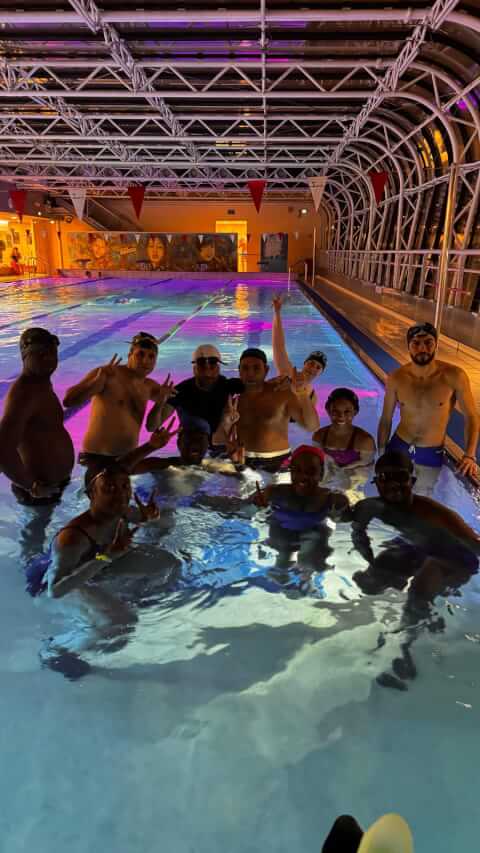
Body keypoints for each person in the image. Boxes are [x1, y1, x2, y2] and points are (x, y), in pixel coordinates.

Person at [27, 463, 162, 678]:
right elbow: (56, 590)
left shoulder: (121, 510)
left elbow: (137, 517)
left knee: (167, 564)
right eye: (109, 488)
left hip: (94, 566)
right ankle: (56, 650)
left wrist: (148, 516)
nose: (120, 495)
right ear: (91, 495)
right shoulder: (73, 538)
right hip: (50, 583)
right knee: (122, 622)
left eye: (125, 486)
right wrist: (107, 557)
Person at [351, 450, 479, 609]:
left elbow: (474, 544)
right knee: (373, 579)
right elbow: (357, 532)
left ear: (412, 481)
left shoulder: (434, 513)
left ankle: (419, 616)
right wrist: (369, 557)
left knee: (418, 593)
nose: (393, 484)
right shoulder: (369, 507)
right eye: (385, 477)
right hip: (419, 547)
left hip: (456, 556)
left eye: (400, 477)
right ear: (376, 482)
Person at [377, 322, 479, 493]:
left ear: (436, 344)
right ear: (408, 346)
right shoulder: (396, 378)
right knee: (390, 494)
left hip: (430, 453)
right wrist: (381, 452)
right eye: (416, 343)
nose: (422, 348)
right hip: (398, 446)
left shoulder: (454, 376)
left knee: (421, 497)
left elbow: (471, 416)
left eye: (428, 342)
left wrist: (469, 455)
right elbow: (386, 419)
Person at [63, 331, 174, 484]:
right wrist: (97, 381)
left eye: (151, 356)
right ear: (130, 355)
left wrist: (161, 402)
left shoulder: (150, 387)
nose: (145, 361)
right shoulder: (109, 374)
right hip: (98, 458)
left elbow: (151, 427)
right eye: (140, 354)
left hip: (127, 459)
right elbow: (69, 401)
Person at [252, 445, 349, 587]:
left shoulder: (330, 499)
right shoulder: (274, 492)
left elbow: (344, 518)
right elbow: (255, 511)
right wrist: (259, 506)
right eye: (297, 470)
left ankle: (306, 577)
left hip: (311, 537)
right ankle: (283, 574)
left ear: (321, 474)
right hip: (282, 535)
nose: (303, 477)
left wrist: (338, 514)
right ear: (290, 471)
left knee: (314, 552)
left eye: (311, 471)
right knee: (283, 556)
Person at [0, 327, 74, 505]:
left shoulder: (41, 384)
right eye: (40, 354)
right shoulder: (24, 393)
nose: (48, 358)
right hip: (38, 491)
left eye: (52, 353)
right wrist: (31, 487)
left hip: (52, 485)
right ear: (25, 356)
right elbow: (2, 449)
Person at [216, 348, 320, 472]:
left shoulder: (282, 394)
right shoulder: (233, 400)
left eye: (256, 368)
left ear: (266, 370)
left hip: (279, 461)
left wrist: (302, 393)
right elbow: (218, 440)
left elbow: (312, 427)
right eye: (245, 368)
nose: (250, 373)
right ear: (239, 371)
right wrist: (226, 424)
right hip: (243, 461)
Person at [146, 344, 244, 440]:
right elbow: (151, 427)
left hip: (223, 445)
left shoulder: (230, 386)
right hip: (191, 446)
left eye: (212, 364)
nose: (207, 371)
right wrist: (160, 402)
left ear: (218, 368)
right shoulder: (181, 391)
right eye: (202, 365)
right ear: (194, 369)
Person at [272, 293, 327, 405]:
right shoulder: (288, 373)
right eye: (311, 363)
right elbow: (279, 345)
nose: (313, 368)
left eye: (318, 367)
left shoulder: (312, 396)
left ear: (321, 373)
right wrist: (277, 313)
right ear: (304, 364)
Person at [313, 388, 376, 470]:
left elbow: (367, 463)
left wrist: (347, 469)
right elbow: (318, 461)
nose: (341, 416)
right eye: (335, 411)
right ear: (328, 410)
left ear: (355, 412)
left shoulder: (365, 441)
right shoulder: (319, 436)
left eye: (347, 411)